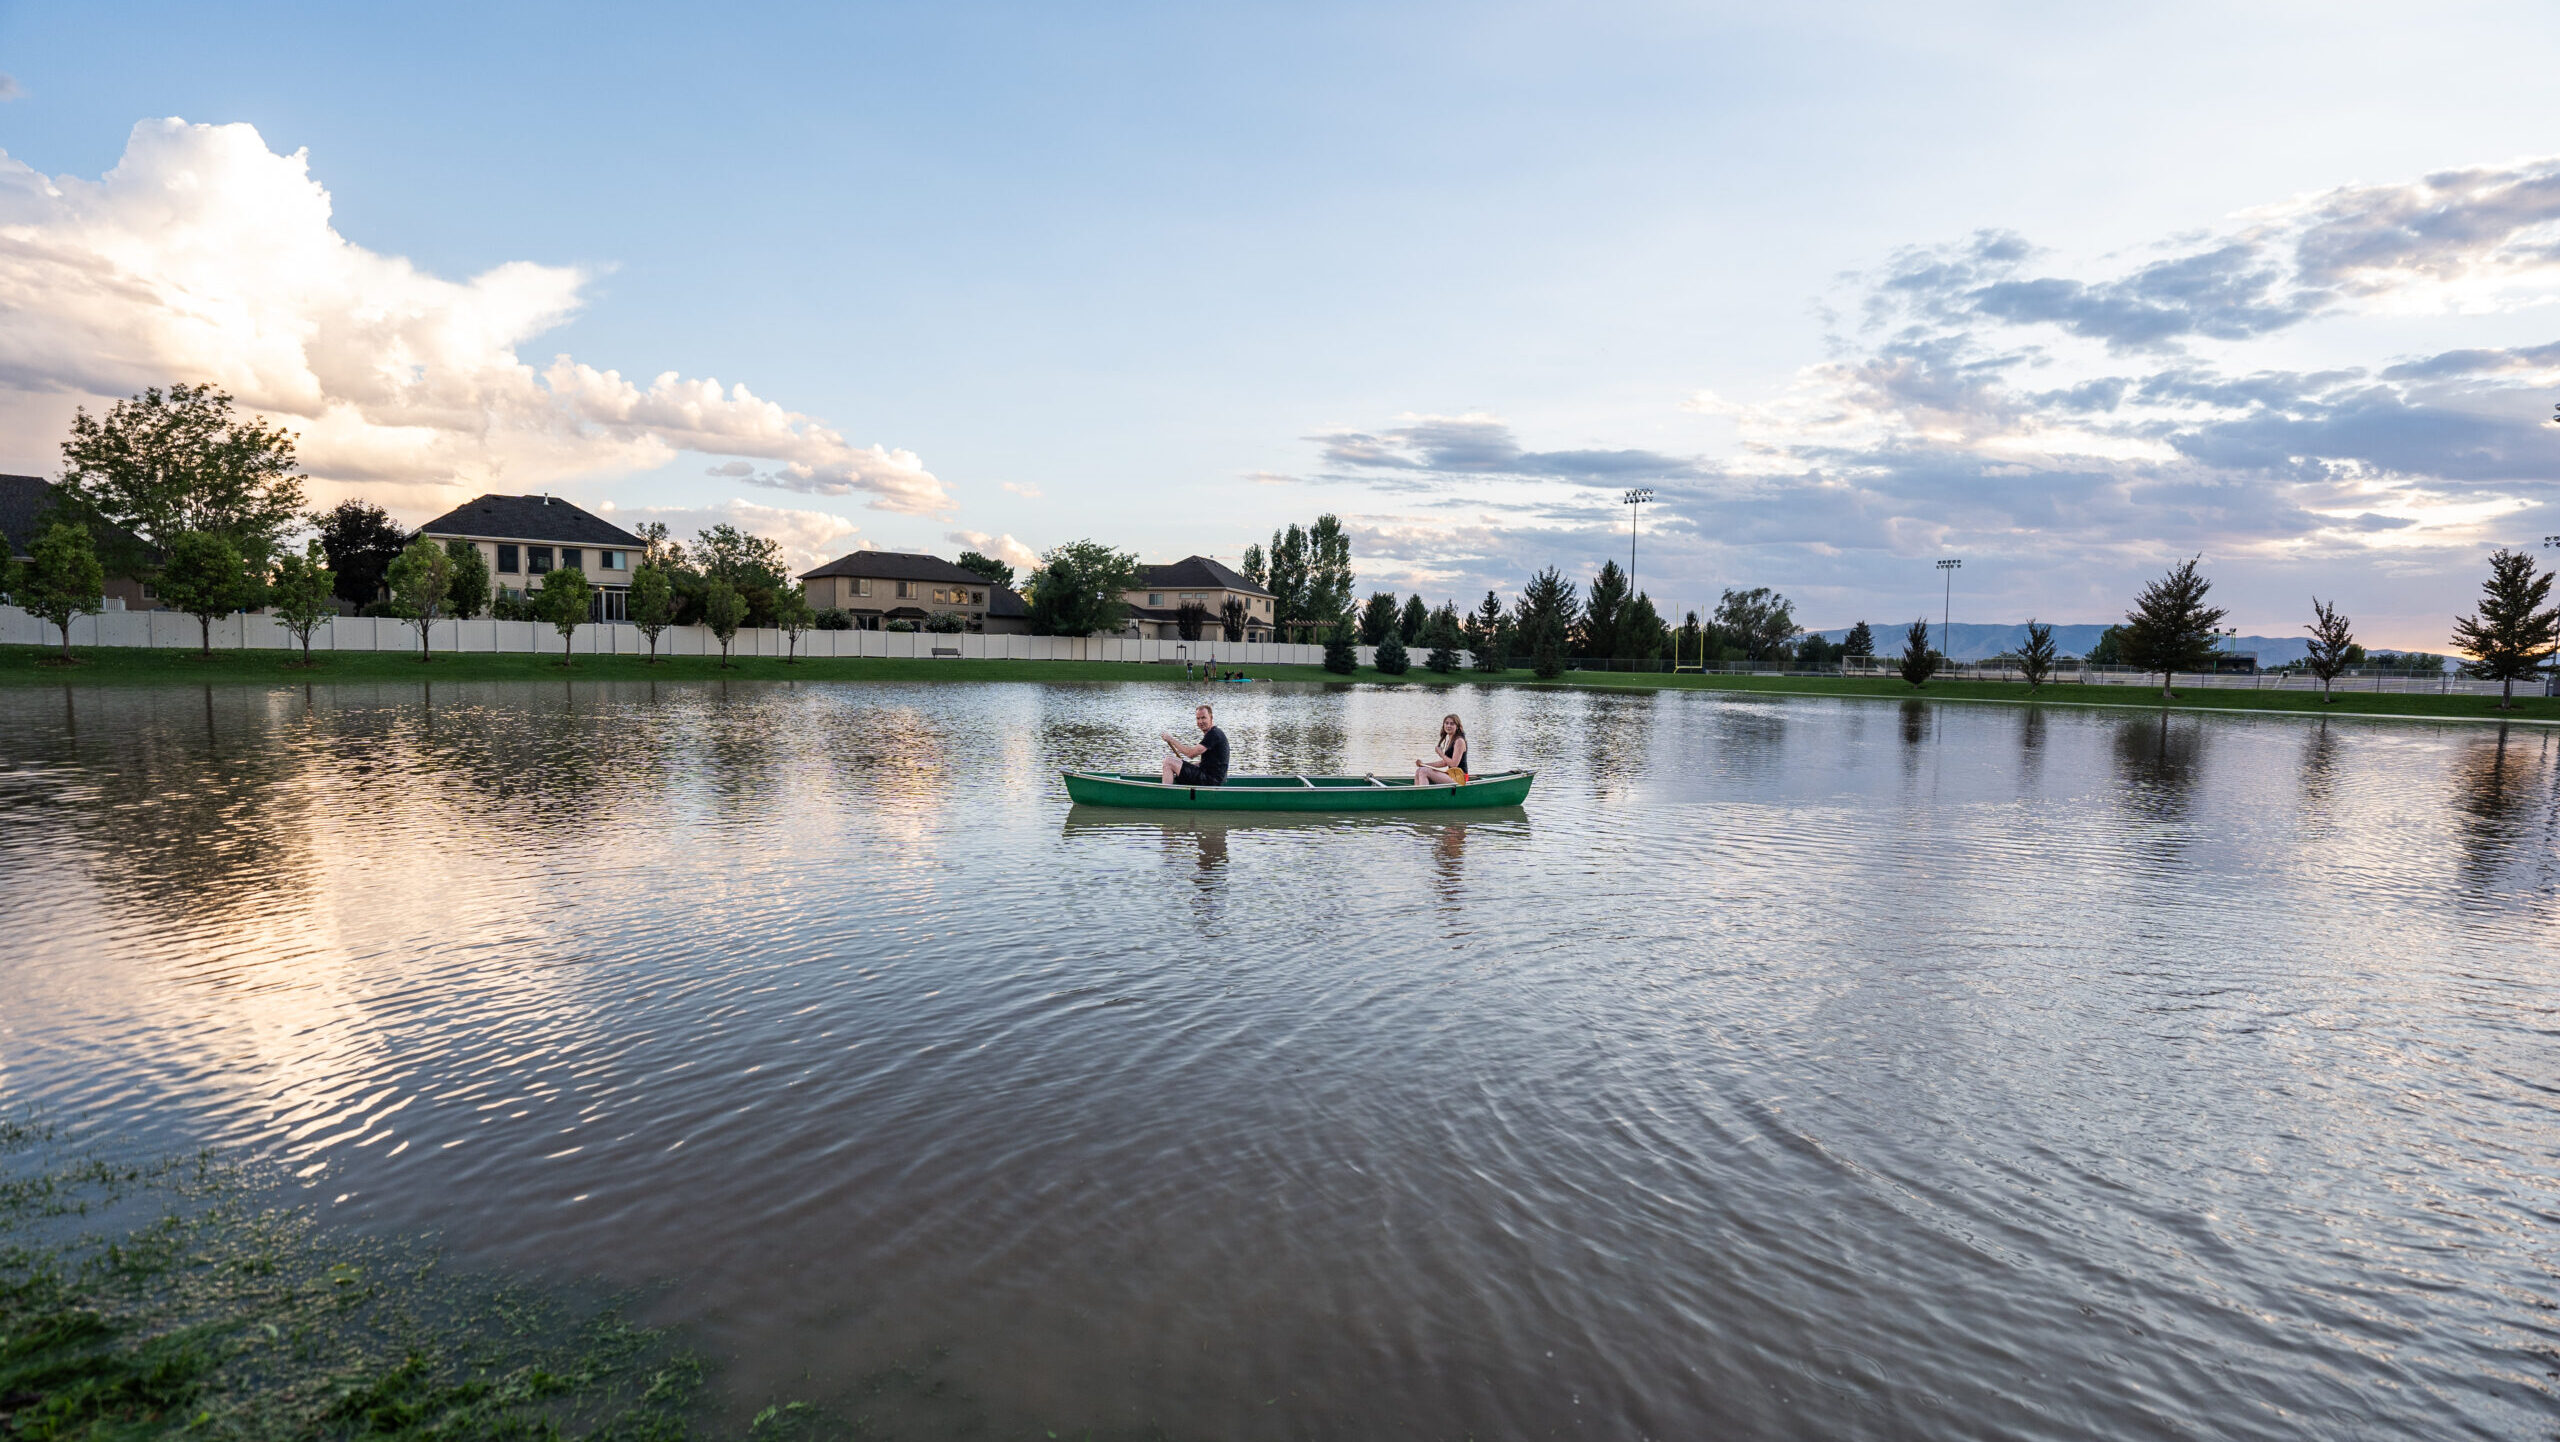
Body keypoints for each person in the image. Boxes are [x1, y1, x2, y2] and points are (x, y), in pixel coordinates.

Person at [1161, 703, 1230, 786]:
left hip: (1211, 781)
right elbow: (1209, 762)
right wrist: (1189, 766)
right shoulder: (1214, 733)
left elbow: (1191, 753)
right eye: (1198, 718)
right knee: (1176, 761)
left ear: (1211, 718)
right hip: (1212, 778)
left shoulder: (1214, 734)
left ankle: (1165, 795)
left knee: (1168, 761)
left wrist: (1171, 739)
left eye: (1203, 718)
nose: (1200, 721)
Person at [1414, 713, 1469, 786]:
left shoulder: (1459, 741)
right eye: (1446, 723)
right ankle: (1418, 795)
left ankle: (1424, 796)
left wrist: (1441, 754)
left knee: (1424, 771)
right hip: (1451, 775)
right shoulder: (1450, 739)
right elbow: (1445, 762)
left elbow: (1453, 764)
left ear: (1457, 727)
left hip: (1461, 778)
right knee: (1419, 770)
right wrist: (1424, 765)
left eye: (1452, 724)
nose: (1448, 726)